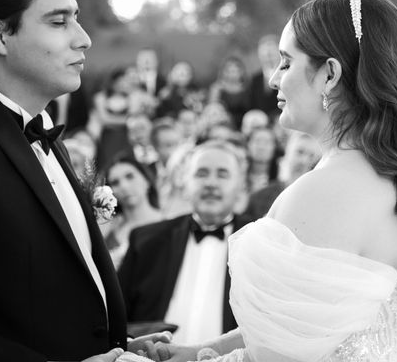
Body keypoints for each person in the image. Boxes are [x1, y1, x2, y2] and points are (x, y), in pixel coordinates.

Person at [141, 0, 397, 362]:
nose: (274, 78)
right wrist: (195, 352)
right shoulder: (390, 178)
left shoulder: (322, 194)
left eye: (287, 62)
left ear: (330, 74)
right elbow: (296, 326)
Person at [0, 0, 168, 362]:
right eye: (59, 21)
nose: (83, 40)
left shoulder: (48, 138)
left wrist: (117, 347)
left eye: (76, 19)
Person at [118, 140, 253, 346]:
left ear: (241, 184)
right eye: (201, 173)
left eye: (222, 174)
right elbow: (118, 316)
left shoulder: (259, 242)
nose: (211, 183)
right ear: (184, 180)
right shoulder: (146, 241)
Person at [102, 155, 163, 269]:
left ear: (146, 180)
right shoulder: (108, 229)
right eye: (115, 182)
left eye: (130, 176)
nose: (124, 186)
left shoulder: (170, 222)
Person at [245, 130, 321, 220]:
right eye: (300, 152)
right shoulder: (260, 197)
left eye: (311, 156)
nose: (303, 161)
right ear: (287, 152)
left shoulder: (316, 202)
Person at [208, 55, 250, 129]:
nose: (232, 74)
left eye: (235, 71)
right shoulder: (217, 88)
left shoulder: (248, 88)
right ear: (224, 72)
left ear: (241, 72)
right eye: (229, 71)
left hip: (245, 124)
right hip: (222, 124)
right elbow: (212, 108)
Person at [248, 34, 280, 120]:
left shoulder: (286, 75)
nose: (268, 56)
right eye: (264, 52)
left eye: (271, 52)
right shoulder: (254, 79)